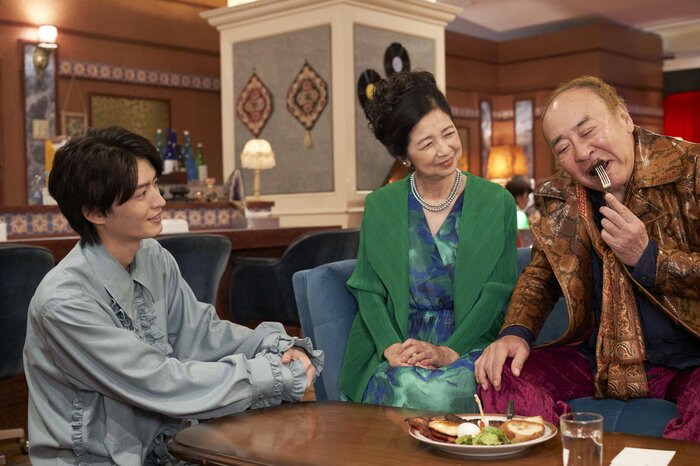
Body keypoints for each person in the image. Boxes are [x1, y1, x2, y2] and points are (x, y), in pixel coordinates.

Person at [23, 127, 323, 464]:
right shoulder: (64, 303)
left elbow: (203, 334)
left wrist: (275, 346)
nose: (160, 201)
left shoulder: (152, 256)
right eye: (141, 193)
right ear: (95, 212)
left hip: (167, 450)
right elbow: (157, 382)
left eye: (155, 184)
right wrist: (272, 376)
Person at [474, 75, 700, 441]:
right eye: (563, 147)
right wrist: (515, 332)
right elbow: (540, 276)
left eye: (588, 131)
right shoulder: (562, 196)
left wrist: (649, 258)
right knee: (498, 377)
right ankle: (565, 453)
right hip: (597, 361)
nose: (581, 153)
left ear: (624, 117)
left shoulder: (692, 169)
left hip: (690, 360)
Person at [340, 70, 517, 412]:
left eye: (448, 133)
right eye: (426, 144)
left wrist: (449, 351)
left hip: (471, 341)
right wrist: (391, 347)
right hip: (401, 343)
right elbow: (367, 289)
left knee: (437, 394)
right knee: (405, 385)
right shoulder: (381, 205)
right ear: (404, 156)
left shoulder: (497, 202)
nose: (445, 149)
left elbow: (498, 291)